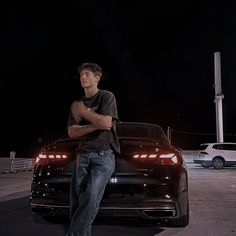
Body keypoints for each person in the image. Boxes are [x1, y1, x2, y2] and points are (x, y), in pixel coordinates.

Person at [65, 62, 120, 236]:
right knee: (77, 202)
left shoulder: (106, 96)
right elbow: (72, 132)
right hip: (82, 155)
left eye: (87, 74)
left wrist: (84, 113)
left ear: (97, 78)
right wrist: (95, 123)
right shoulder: (77, 104)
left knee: (90, 197)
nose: (83, 77)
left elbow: (106, 123)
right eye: (81, 75)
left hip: (103, 155)